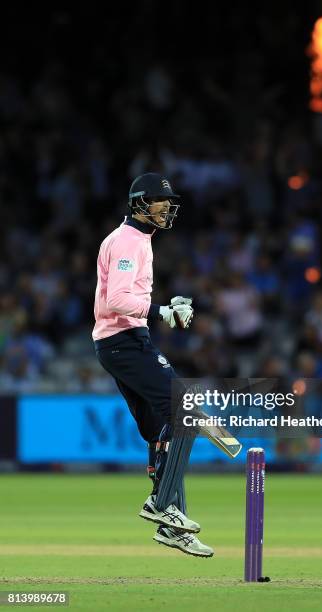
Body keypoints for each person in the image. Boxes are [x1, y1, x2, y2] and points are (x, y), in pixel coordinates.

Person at [92, 173, 213, 557]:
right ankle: (161, 504)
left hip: (121, 341)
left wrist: (165, 308)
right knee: (184, 411)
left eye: (169, 201)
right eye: (160, 200)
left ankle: (171, 525)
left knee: (163, 428)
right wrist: (161, 310)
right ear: (139, 203)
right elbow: (116, 298)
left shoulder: (136, 239)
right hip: (122, 340)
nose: (167, 207)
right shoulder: (129, 241)